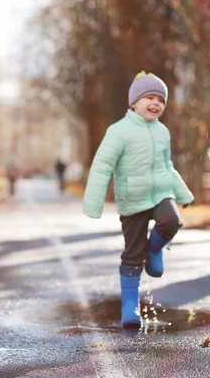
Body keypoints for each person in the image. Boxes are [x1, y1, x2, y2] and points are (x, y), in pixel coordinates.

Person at [82, 71, 194, 329]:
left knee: (172, 221)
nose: (156, 103)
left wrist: (182, 193)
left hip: (160, 194)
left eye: (161, 100)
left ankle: (154, 249)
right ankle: (129, 307)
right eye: (150, 98)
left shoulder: (163, 132)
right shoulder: (118, 131)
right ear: (134, 102)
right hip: (132, 200)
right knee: (132, 254)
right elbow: (102, 166)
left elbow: (167, 166)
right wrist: (93, 203)